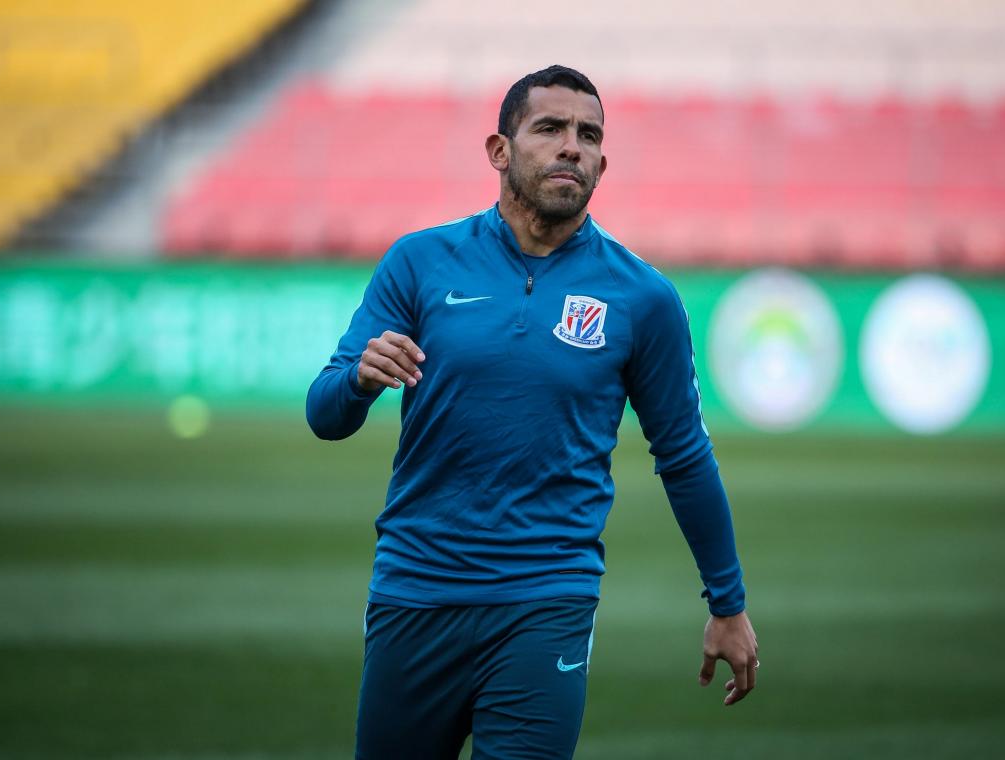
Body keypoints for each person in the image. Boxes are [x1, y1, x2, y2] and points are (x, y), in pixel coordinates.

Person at [306, 65, 758, 759]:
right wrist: (360, 379)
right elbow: (325, 413)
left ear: (604, 162)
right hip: (415, 591)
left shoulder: (642, 297)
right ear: (499, 150)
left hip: (547, 598)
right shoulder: (420, 262)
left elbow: (685, 455)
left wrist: (727, 604)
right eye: (549, 128)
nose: (571, 146)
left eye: (588, 135)